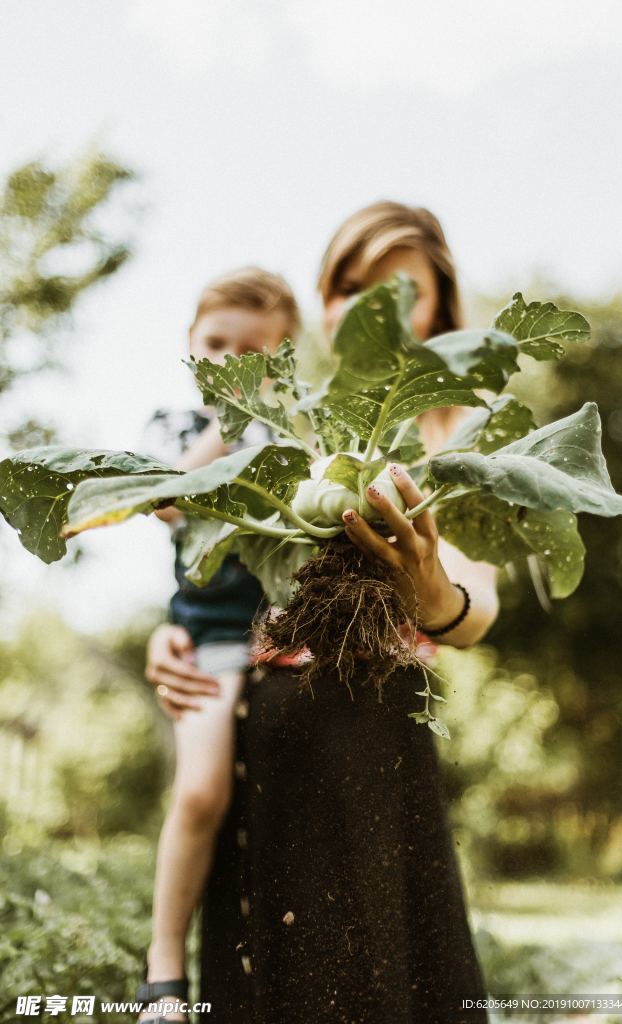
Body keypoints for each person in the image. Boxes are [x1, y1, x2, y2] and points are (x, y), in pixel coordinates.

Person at [146, 202, 500, 1024]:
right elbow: (210, 552)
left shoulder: (456, 429)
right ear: (323, 299)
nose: (373, 307)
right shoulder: (287, 416)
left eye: (401, 290)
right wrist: (169, 637)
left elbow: (477, 609)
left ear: (439, 306)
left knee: (389, 972)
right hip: (261, 738)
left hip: (377, 735)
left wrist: (432, 596)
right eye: (351, 286)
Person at [135, 267, 302, 1024]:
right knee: (202, 789)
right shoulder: (173, 428)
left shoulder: (300, 435)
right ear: (191, 348)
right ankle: (164, 969)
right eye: (217, 347)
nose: (234, 364)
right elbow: (165, 501)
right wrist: (232, 421)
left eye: (254, 354)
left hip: (290, 637)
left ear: (283, 359)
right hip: (210, 640)